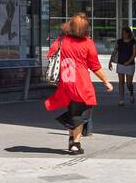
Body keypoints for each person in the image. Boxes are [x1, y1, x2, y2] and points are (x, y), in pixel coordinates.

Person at [45, 12, 112, 155]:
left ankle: (71, 140)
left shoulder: (62, 40)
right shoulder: (88, 43)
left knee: (73, 110)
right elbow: (95, 66)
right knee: (81, 114)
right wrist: (106, 81)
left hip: (65, 81)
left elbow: (50, 54)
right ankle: (75, 144)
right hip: (81, 83)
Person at [109, 27, 136, 104]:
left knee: (129, 83)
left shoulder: (133, 42)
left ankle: (131, 93)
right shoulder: (119, 41)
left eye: (125, 33)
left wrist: (128, 62)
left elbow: (134, 54)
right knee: (121, 82)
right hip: (120, 63)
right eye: (122, 33)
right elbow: (115, 50)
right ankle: (121, 99)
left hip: (130, 65)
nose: (123, 34)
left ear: (129, 33)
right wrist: (110, 61)